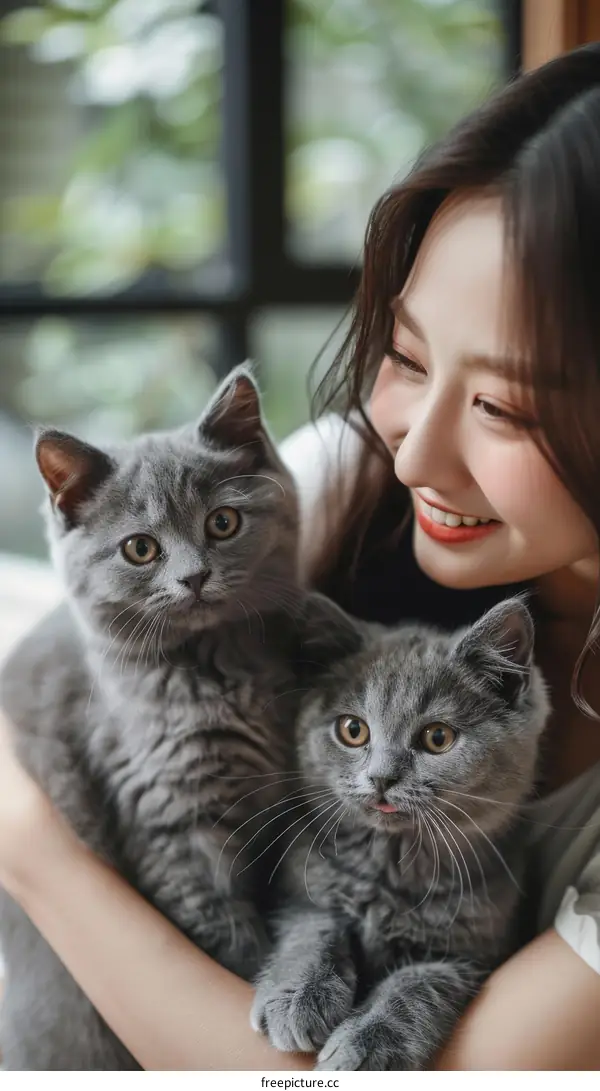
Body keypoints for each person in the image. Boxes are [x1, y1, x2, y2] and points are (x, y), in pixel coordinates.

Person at [1, 42, 600, 1071]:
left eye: (505, 405)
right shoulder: (340, 487)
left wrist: (31, 848)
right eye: (405, 356)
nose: (413, 445)